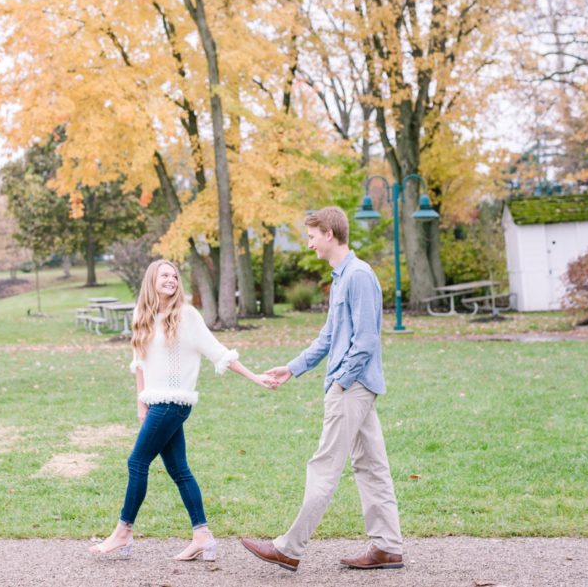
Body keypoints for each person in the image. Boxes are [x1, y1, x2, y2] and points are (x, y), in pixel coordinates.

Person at [240, 206, 405, 572]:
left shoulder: (358, 276)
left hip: (353, 388)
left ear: (329, 233)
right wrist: (292, 368)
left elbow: (366, 340)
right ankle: (388, 547)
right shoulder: (342, 276)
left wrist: (342, 381)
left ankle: (288, 548)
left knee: (324, 466)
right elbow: (329, 336)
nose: (310, 243)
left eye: (313, 236)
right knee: (371, 466)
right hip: (356, 386)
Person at [89, 259, 273, 561]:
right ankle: (202, 537)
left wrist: (255, 377)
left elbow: (218, 352)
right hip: (155, 403)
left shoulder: (187, 315)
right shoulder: (142, 315)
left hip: (173, 404)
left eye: (174, 276)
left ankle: (123, 533)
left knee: (137, 462)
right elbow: (139, 362)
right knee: (178, 469)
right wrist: (140, 403)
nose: (171, 280)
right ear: (152, 279)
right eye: (165, 275)